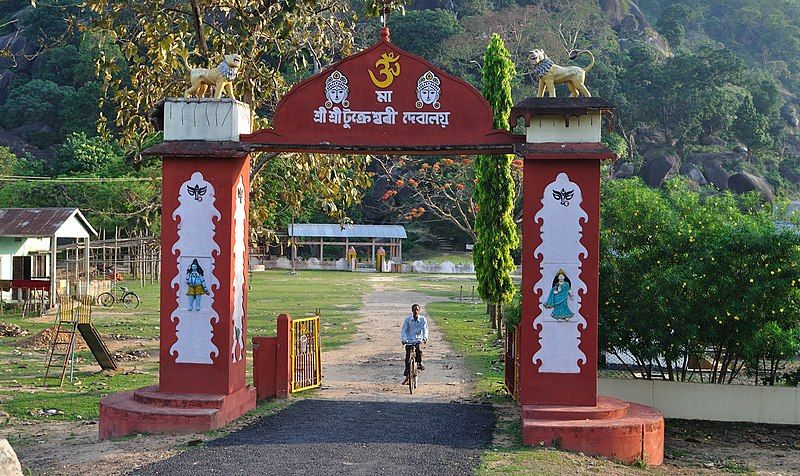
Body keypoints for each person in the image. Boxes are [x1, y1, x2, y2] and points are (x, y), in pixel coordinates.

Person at [401, 303, 429, 385]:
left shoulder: (423, 319)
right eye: (414, 310)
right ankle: (407, 377)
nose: (415, 311)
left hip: (418, 340)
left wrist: (425, 338)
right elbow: (404, 331)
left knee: (418, 350)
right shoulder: (408, 320)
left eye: (417, 310)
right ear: (412, 311)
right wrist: (404, 339)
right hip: (409, 340)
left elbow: (425, 330)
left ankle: (419, 363)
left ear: (419, 311)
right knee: (407, 359)